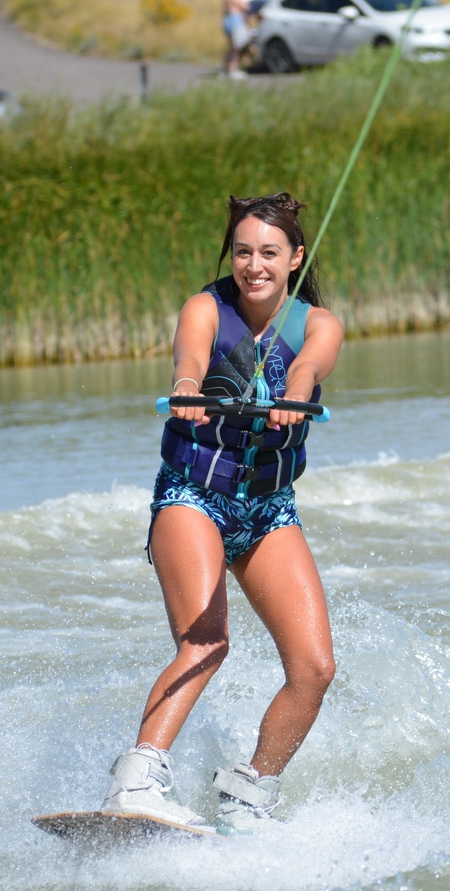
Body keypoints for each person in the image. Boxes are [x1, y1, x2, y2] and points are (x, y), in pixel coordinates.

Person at [102, 193, 345, 835]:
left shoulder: (319, 324)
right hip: (193, 495)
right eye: (243, 252)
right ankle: (137, 779)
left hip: (267, 510)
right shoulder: (205, 309)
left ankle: (249, 792)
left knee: (314, 668)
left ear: (295, 258)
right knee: (207, 641)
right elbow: (190, 356)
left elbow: (310, 365)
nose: (254, 265)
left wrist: (295, 396)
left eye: (269, 253)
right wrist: (187, 388)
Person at [221, 0, 252, 78]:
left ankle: (225, 69)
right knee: (236, 49)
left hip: (227, 19)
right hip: (235, 20)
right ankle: (233, 69)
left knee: (231, 48)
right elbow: (245, 7)